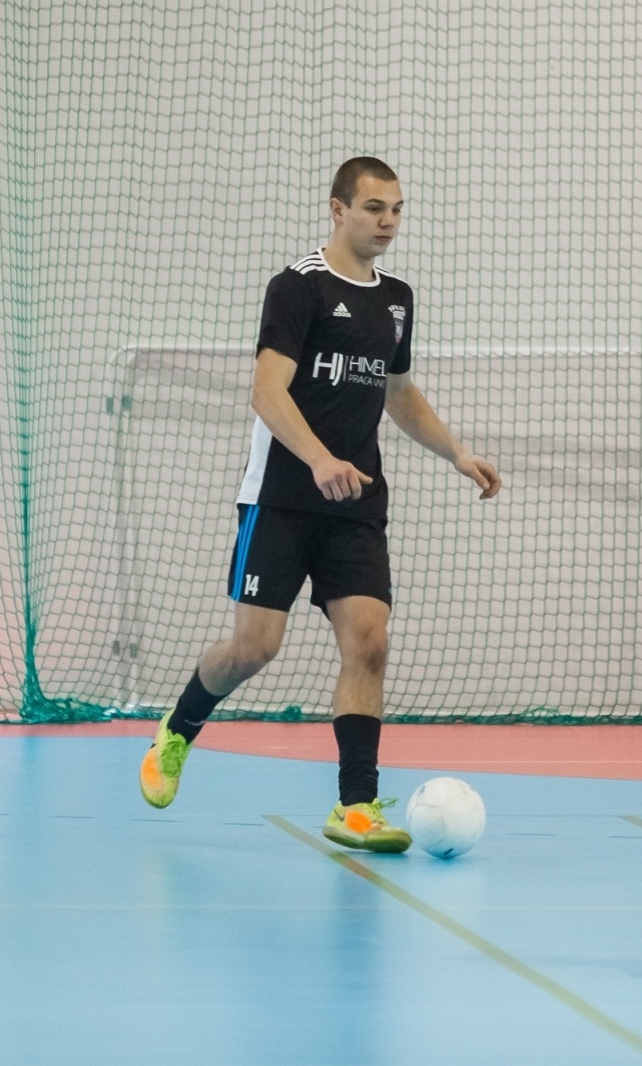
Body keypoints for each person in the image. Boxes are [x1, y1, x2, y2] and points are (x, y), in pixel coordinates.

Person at [137, 157, 501, 852]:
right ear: (338, 210)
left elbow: (398, 392)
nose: (388, 221)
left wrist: (454, 451)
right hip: (281, 497)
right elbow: (267, 392)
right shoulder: (297, 288)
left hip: (356, 502)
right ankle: (178, 730)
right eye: (373, 208)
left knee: (369, 642)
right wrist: (318, 459)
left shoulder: (397, 298)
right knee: (254, 649)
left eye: (396, 208)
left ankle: (355, 807)